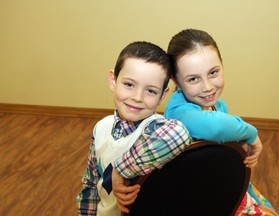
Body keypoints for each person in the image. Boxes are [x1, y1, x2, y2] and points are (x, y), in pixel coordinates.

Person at [112, 29, 279, 216]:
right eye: (193, 79)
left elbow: (223, 147)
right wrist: (251, 135)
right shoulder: (180, 112)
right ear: (175, 80)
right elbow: (216, 127)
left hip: (221, 183)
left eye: (213, 72)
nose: (207, 87)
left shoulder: (217, 106)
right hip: (194, 199)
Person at [76, 41, 192, 216]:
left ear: (162, 96)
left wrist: (119, 171)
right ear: (113, 81)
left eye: (151, 91)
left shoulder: (154, 129)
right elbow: (92, 183)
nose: (138, 97)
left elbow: (179, 135)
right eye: (129, 85)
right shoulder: (101, 127)